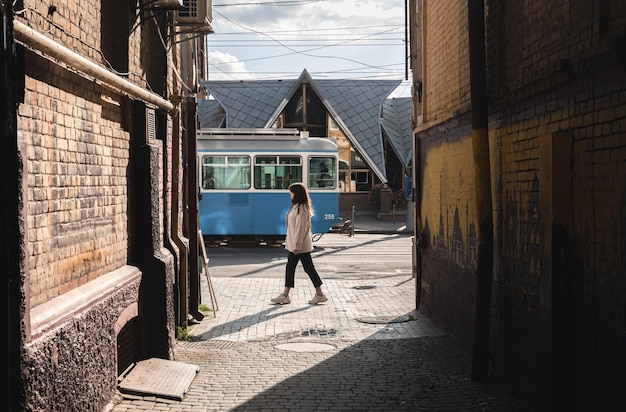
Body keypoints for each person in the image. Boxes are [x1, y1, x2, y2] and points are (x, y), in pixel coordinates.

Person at [271, 182, 328, 305]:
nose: (290, 195)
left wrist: (296, 246)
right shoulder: (296, 206)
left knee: (306, 268)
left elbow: (301, 228)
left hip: (299, 246)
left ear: (296, 194)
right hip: (295, 244)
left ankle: (319, 294)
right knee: (294, 268)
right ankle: (286, 295)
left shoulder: (301, 208)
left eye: (291, 192)